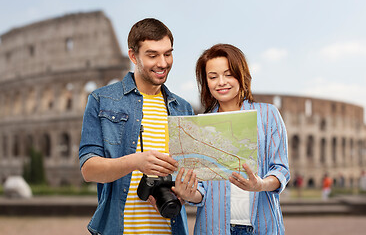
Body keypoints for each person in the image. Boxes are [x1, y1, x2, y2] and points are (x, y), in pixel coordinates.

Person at [78, 18, 194, 235]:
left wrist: (185, 192)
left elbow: (191, 177)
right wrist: (136, 162)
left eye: (168, 54)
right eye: (152, 55)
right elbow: (88, 169)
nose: (162, 63)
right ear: (133, 56)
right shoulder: (101, 100)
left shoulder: (183, 108)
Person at [180, 44, 290, 235]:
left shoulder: (268, 115)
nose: (221, 82)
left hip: (262, 226)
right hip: (213, 228)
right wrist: (189, 193)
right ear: (206, 82)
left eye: (228, 74)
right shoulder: (200, 125)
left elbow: (281, 169)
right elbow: (202, 190)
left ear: (241, 75)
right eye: (213, 77)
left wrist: (260, 184)